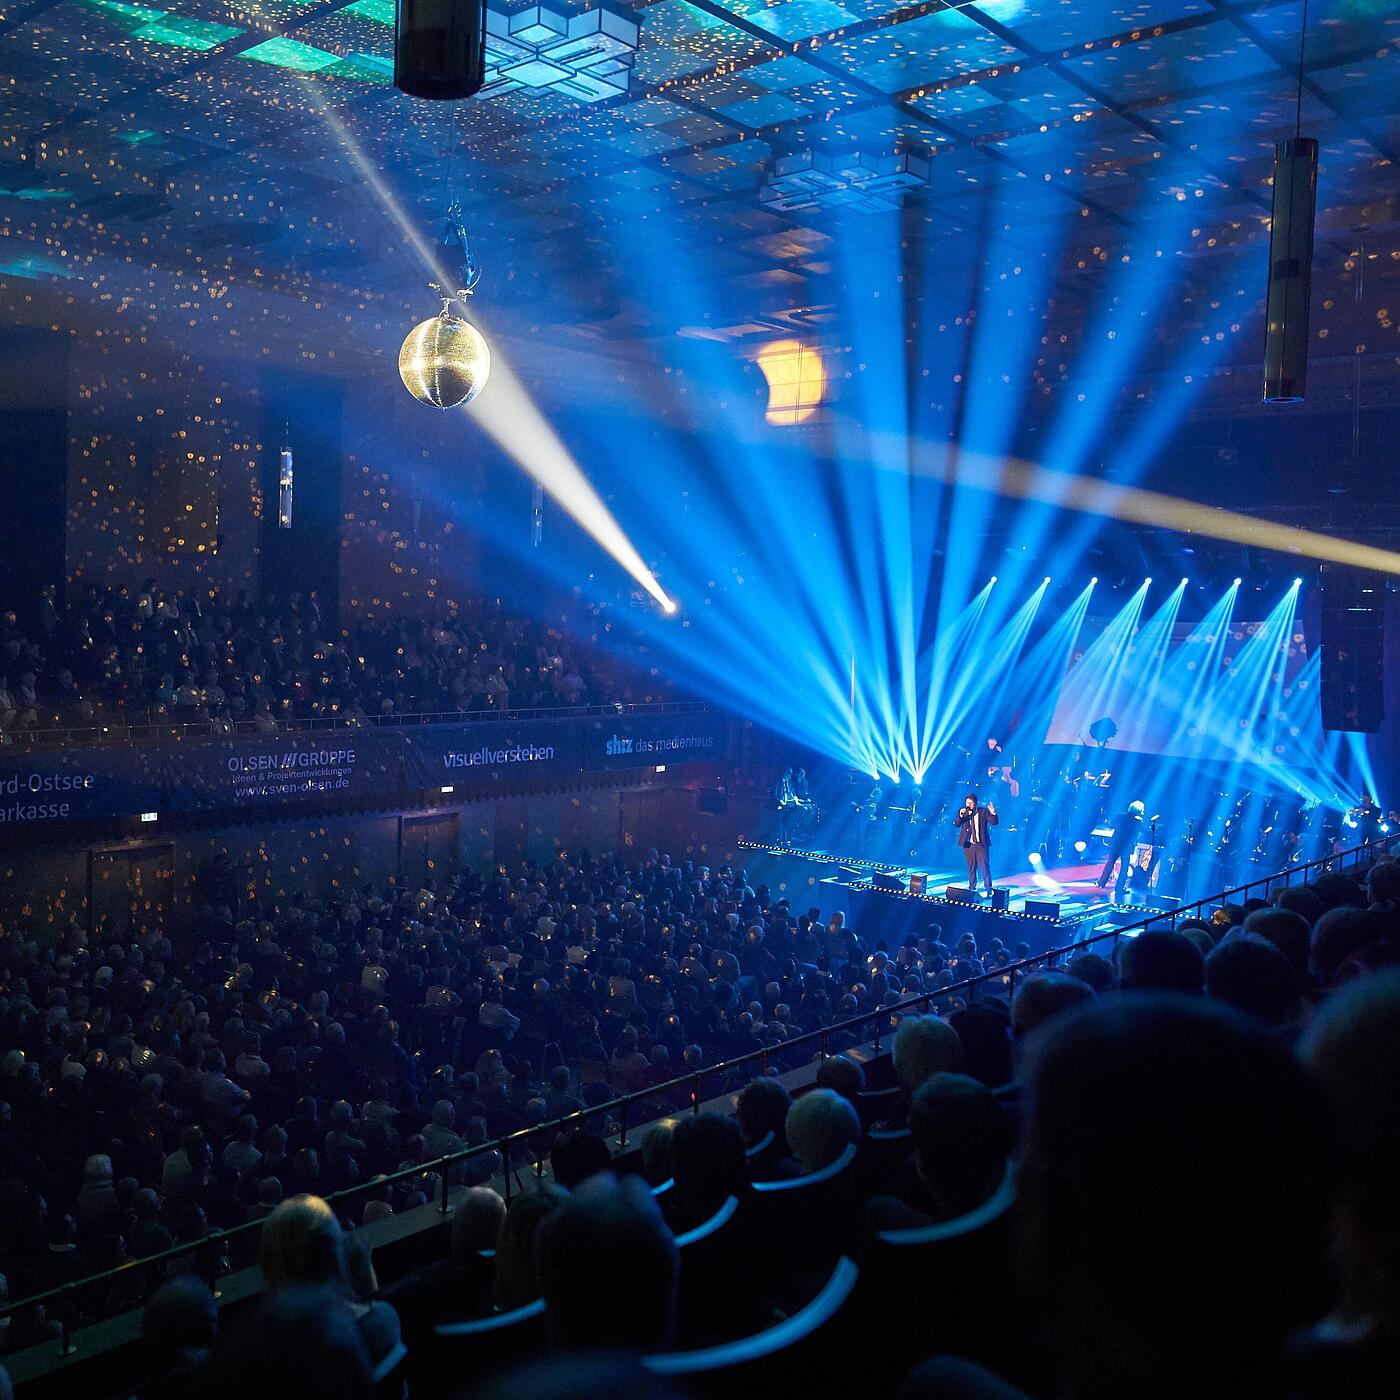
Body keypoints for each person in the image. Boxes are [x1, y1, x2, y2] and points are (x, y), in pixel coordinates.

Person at [1097, 800, 1145, 896]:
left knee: (1110, 863)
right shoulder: (1138, 821)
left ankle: (1101, 883)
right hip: (1126, 846)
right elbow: (1143, 831)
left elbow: (1111, 825)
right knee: (1124, 868)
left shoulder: (1120, 816)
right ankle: (1119, 888)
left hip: (1117, 843)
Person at [954, 792, 998, 896]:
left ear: (975, 803)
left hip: (981, 844)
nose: (968, 805)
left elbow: (994, 822)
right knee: (971, 867)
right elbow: (956, 824)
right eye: (967, 802)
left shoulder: (983, 812)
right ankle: (972, 888)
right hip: (968, 845)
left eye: (971, 803)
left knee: (984, 868)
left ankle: (988, 889)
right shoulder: (964, 813)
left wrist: (993, 813)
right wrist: (960, 816)